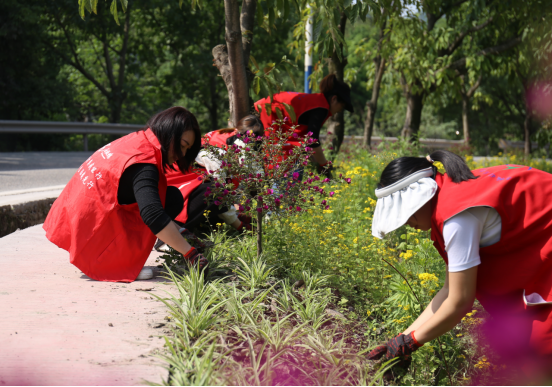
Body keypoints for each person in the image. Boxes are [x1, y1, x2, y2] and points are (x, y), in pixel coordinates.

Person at [367, 150, 552, 377]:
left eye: (405, 214)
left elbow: (460, 302)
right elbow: (449, 291)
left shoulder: (457, 215)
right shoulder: (451, 196)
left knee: (540, 350)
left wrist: (411, 343)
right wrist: (401, 339)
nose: (406, 223)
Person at [43, 107, 208, 282]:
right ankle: (114, 263)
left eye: (187, 149)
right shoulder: (145, 164)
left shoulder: (139, 140)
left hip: (73, 213)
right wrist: (190, 254)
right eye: (182, 145)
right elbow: (153, 214)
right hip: (89, 224)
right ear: (169, 133)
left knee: (171, 198)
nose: (182, 154)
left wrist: (180, 232)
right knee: (161, 205)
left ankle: (117, 254)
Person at [154, 115, 263, 252]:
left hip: (185, 188)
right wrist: (239, 225)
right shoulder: (217, 153)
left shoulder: (227, 141)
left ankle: (191, 233)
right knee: (213, 191)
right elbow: (220, 193)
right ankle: (168, 239)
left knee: (217, 198)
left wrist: (237, 214)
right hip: (172, 191)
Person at [254, 74, 353, 178]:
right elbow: (312, 141)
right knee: (285, 171)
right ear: (334, 99)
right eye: (341, 107)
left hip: (264, 114)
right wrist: (324, 165)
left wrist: (316, 161)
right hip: (263, 114)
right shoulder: (321, 107)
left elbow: (307, 141)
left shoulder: (317, 102)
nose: (339, 111)